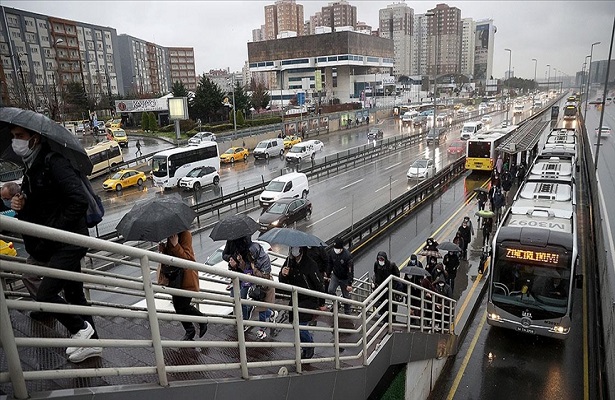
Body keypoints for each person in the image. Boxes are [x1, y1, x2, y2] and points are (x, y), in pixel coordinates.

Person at [8, 123, 101, 363]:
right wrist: (21, 204)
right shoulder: (31, 167)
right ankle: (93, 344)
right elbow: (42, 206)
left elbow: (77, 201)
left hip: (69, 240)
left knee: (46, 294)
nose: (15, 141)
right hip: (58, 242)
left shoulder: (54, 162)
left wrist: (54, 230)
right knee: (74, 295)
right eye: (13, 136)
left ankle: (81, 331)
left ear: (35, 138)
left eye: (20, 136)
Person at [158, 231, 207, 341]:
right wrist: (164, 249)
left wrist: (175, 245)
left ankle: (200, 321)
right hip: (176, 278)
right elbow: (172, 256)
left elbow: (188, 259)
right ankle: (190, 330)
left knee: (183, 306)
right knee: (177, 306)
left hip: (186, 277)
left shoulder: (185, 234)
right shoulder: (172, 234)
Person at [278, 246, 323, 359]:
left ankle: (309, 344)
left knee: (301, 325)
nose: (294, 251)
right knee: (295, 324)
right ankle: (305, 347)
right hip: (295, 297)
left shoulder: (310, 264)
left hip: (309, 299)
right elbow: (283, 281)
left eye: (297, 248)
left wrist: (321, 303)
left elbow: (319, 284)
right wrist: (283, 274)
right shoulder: (289, 262)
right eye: (292, 248)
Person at [229, 246, 276, 340]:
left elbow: (265, 276)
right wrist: (241, 261)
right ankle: (271, 314)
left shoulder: (265, 259)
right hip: (257, 286)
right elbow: (246, 269)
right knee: (260, 308)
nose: (251, 256)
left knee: (261, 309)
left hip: (266, 286)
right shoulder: (251, 259)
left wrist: (254, 269)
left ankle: (262, 330)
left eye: (252, 254)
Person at [325, 238, 354, 314]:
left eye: (337, 248)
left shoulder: (347, 256)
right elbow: (330, 264)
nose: (336, 250)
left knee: (346, 296)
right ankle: (336, 304)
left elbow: (350, 271)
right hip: (335, 275)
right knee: (330, 290)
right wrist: (327, 274)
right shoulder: (332, 253)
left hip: (345, 278)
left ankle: (347, 311)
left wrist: (349, 283)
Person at [373, 251, 400, 320]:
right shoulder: (376, 264)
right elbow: (375, 273)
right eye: (379, 259)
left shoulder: (391, 265)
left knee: (391, 304)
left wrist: (392, 284)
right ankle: (383, 316)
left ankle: (392, 318)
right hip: (380, 287)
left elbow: (397, 276)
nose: (380, 261)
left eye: (382, 259)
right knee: (381, 302)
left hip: (390, 288)